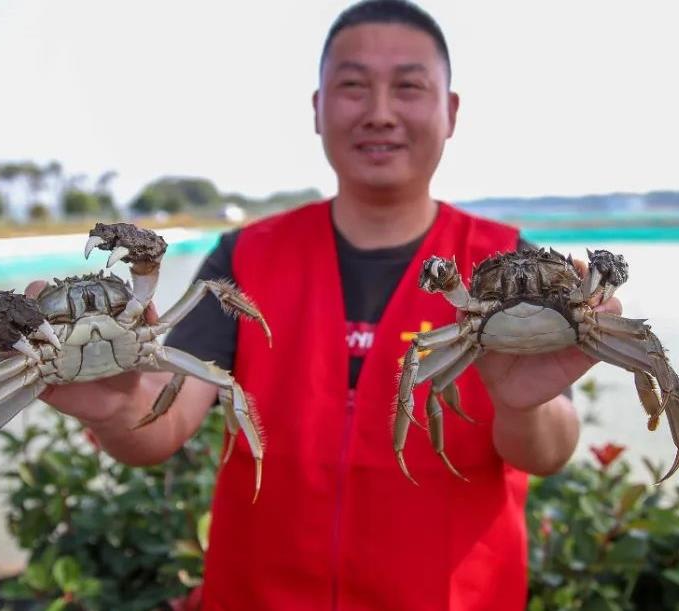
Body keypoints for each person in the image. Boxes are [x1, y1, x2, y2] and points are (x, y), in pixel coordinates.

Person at [32, 1, 621, 609]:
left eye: (409, 87)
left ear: (450, 112)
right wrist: (120, 407)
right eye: (352, 87)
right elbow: (160, 428)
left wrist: (523, 406)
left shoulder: (503, 265)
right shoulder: (244, 259)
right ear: (317, 109)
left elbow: (547, 453)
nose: (380, 112)